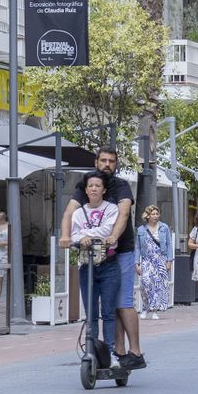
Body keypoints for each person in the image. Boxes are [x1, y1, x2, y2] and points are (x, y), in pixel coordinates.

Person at [60, 147, 145, 369]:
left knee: (122, 302)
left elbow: (124, 212)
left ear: (116, 165)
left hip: (122, 250)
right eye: (103, 160)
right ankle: (116, 351)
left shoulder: (121, 186)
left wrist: (113, 237)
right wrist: (65, 235)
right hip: (95, 255)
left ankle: (135, 352)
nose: (107, 164)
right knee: (106, 305)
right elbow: (70, 212)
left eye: (112, 161)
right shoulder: (86, 184)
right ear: (96, 161)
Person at [70, 176, 119, 359]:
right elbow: (72, 235)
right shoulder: (78, 213)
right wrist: (80, 238)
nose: (94, 189)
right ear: (85, 190)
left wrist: (85, 236)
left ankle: (110, 352)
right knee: (90, 312)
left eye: (98, 186)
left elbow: (108, 230)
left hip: (108, 264)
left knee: (108, 311)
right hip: (86, 265)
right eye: (90, 186)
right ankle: (92, 350)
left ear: (104, 189)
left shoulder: (111, 209)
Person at [136, 205, 175, 321]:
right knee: (145, 283)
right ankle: (146, 306)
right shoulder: (141, 230)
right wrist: (136, 262)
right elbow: (137, 247)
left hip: (160, 259)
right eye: (153, 214)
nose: (155, 216)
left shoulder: (164, 227)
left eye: (157, 214)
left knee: (158, 285)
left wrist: (169, 260)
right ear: (147, 216)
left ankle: (154, 310)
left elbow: (169, 244)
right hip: (147, 260)